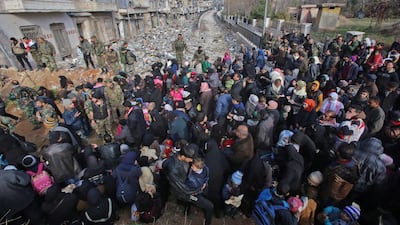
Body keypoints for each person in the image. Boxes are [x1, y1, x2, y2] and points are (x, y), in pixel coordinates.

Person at [162, 144, 214, 225]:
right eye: (190, 159)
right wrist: (200, 189)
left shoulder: (184, 157)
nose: (191, 161)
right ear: (183, 156)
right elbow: (184, 189)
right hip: (186, 192)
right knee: (209, 206)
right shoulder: (174, 169)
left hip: (192, 185)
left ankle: (187, 209)